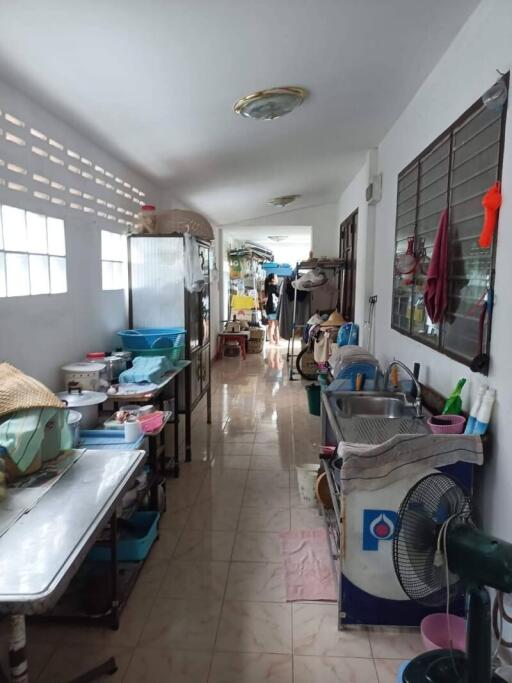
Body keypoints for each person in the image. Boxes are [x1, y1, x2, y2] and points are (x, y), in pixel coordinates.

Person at [264, 273, 280, 345]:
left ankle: (271, 341)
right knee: (276, 326)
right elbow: (279, 295)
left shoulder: (268, 287)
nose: (277, 278)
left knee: (270, 325)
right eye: (276, 277)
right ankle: (277, 341)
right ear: (273, 279)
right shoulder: (275, 287)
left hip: (268, 309)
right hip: (274, 309)